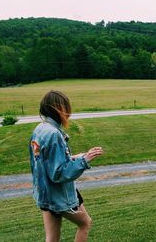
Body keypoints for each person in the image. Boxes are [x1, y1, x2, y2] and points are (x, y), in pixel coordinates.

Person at [29, 90, 104, 242]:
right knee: (85, 223)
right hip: (59, 195)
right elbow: (58, 173)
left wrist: (75, 157)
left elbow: (46, 162)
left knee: (52, 238)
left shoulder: (40, 129)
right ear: (58, 109)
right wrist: (84, 160)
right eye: (66, 108)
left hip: (44, 194)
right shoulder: (54, 134)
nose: (68, 112)